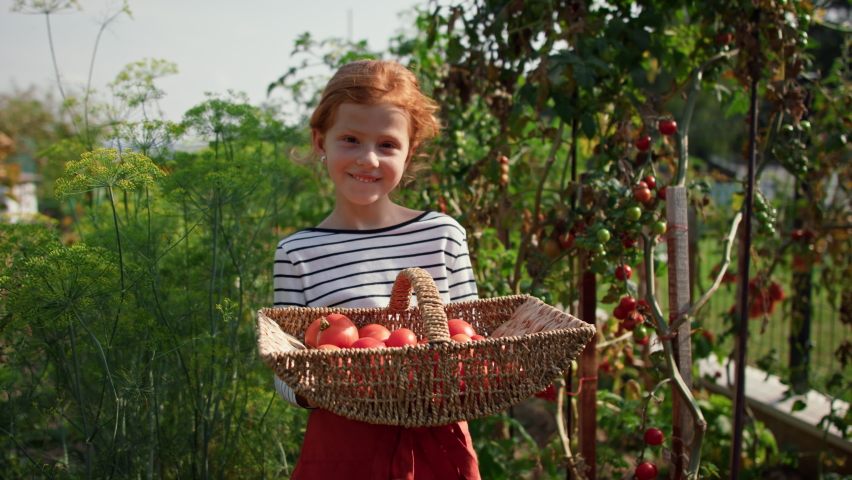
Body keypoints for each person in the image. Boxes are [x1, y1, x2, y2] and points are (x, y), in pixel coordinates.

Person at [272, 59, 482, 480]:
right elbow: (284, 373)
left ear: (410, 152)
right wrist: (333, 377)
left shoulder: (441, 235)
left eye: (387, 145)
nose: (368, 159)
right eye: (350, 139)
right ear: (321, 141)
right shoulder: (297, 252)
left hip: (435, 435)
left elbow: (473, 342)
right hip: (343, 443)